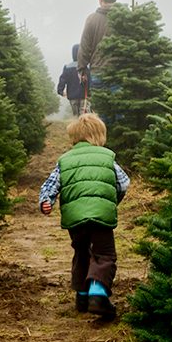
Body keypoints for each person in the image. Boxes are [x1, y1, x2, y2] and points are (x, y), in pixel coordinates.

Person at [38, 112, 130, 320]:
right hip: (101, 215)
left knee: (81, 251)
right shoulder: (107, 156)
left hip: (75, 219)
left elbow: (51, 185)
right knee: (104, 255)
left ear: (74, 137)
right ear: (100, 135)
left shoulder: (65, 160)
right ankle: (97, 295)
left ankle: (81, 295)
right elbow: (123, 183)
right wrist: (112, 201)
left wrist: (46, 202)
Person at [77, 0, 119, 104]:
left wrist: (82, 70)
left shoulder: (92, 19)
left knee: (100, 112)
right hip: (120, 73)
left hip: (98, 72)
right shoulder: (124, 18)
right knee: (120, 114)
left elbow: (84, 47)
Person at [56, 43, 85, 116]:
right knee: (84, 116)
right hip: (84, 96)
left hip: (72, 96)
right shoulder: (85, 66)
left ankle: (76, 127)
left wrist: (61, 91)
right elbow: (90, 81)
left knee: (76, 115)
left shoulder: (67, 67)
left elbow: (62, 80)